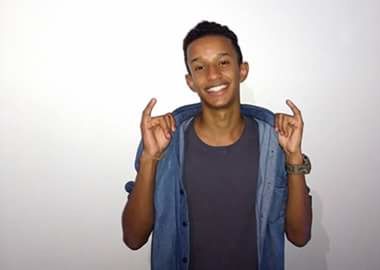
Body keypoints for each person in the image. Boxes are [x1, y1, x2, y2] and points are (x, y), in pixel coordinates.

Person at [122, 21, 312, 270]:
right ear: (190, 81)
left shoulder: (275, 142)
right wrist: (149, 158)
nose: (213, 75)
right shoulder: (164, 142)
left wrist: (294, 157)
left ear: (242, 70)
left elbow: (300, 237)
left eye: (223, 62)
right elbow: (134, 239)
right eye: (200, 67)